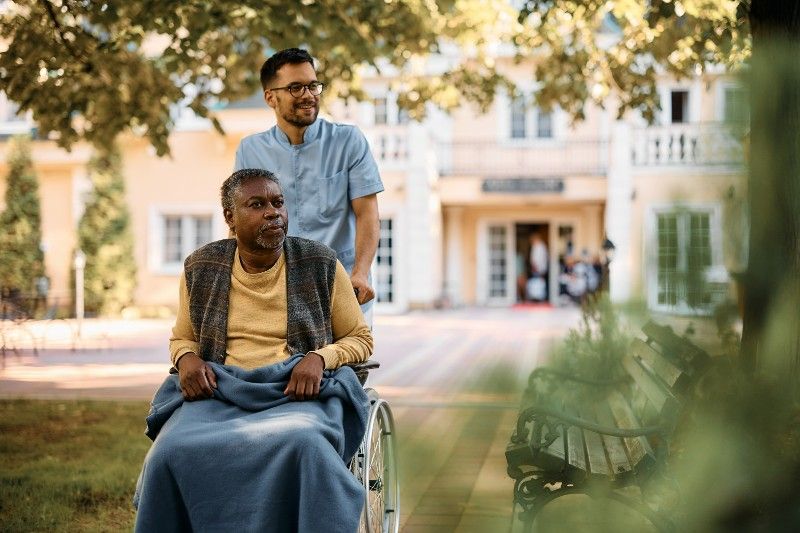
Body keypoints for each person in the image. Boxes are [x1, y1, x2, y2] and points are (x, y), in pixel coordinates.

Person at [134, 169, 373, 533]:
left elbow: (360, 338)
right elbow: (182, 338)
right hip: (221, 390)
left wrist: (320, 357)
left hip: (296, 391)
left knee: (305, 442)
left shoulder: (320, 263)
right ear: (230, 217)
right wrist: (187, 359)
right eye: (257, 205)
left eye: (278, 203)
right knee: (169, 451)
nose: (273, 212)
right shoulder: (201, 267)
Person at [234, 48, 384, 320]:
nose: (308, 95)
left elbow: (368, 213)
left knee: (349, 350)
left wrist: (361, 273)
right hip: (279, 294)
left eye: (313, 85)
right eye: (295, 87)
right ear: (271, 97)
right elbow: (242, 224)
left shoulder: (348, 141)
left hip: (344, 290)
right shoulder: (250, 150)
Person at [528, 232, 549, 301]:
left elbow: (538, 259)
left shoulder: (539, 246)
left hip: (538, 268)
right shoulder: (538, 246)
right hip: (539, 268)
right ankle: (537, 297)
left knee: (539, 283)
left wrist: (535, 267)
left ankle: (539, 297)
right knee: (538, 283)